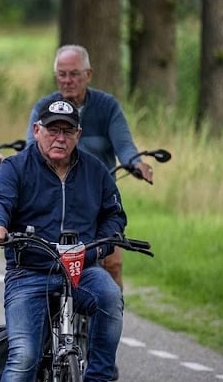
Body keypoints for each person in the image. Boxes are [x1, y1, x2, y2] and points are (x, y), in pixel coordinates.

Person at [0, 96, 128, 382]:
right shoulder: (16, 167)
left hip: (81, 271)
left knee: (110, 297)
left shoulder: (95, 171)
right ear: (37, 132)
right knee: (25, 356)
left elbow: (114, 214)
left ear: (78, 135)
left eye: (67, 131)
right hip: (30, 272)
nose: (59, 138)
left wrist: (106, 240)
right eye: (52, 130)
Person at [26, 44, 154, 291]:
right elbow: (31, 148)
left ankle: (108, 319)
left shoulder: (106, 106)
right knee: (46, 261)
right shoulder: (45, 107)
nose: (67, 80)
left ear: (88, 75)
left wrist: (136, 163)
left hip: (96, 197)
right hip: (54, 196)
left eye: (74, 74)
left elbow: (124, 144)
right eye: (62, 74)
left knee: (112, 262)